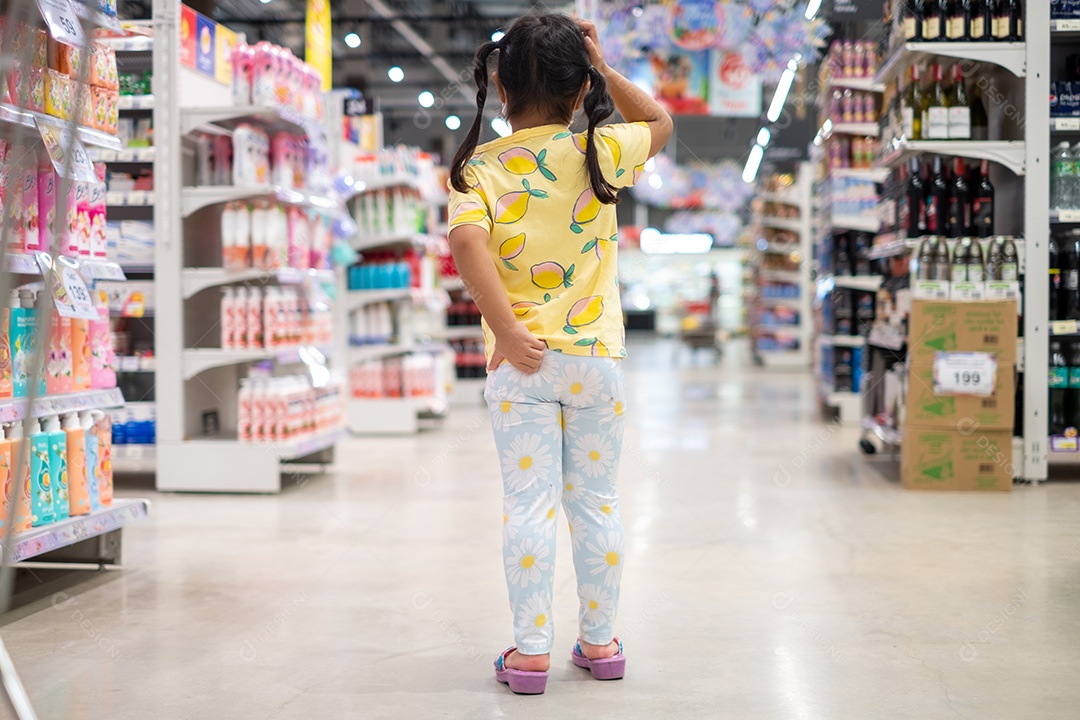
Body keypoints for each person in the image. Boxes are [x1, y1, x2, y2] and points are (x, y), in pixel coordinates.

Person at [446, 13, 672, 695]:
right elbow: (660, 124)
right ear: (580, 91)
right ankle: (601, 644)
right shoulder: (602, 150)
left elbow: (465, 245)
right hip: (596, 358)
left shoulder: (477, 168)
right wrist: (603, 68)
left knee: (529, 506)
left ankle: (531, 653)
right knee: (597, 503)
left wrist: (508, 330)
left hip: (522, 365)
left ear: (499, 85)